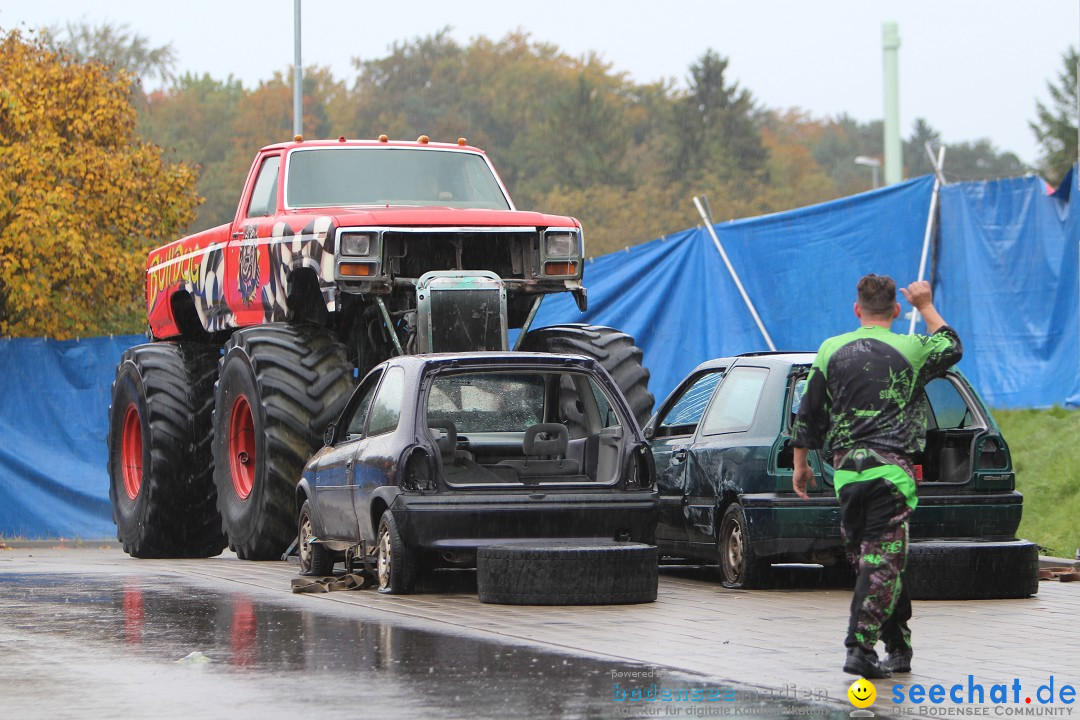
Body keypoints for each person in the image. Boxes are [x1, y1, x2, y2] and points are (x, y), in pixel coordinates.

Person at [790, 274, 962, 679]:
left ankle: (898, 647)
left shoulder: (831, 348)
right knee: (881, 562)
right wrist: (926, 305)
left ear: (857, 310)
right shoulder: (912, 347)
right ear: (896, 310)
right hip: (891, 473)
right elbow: (952, 345)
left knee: (873, 561)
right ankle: (860, 649)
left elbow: (808, 412)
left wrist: (801, 464)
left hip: (847, 473)